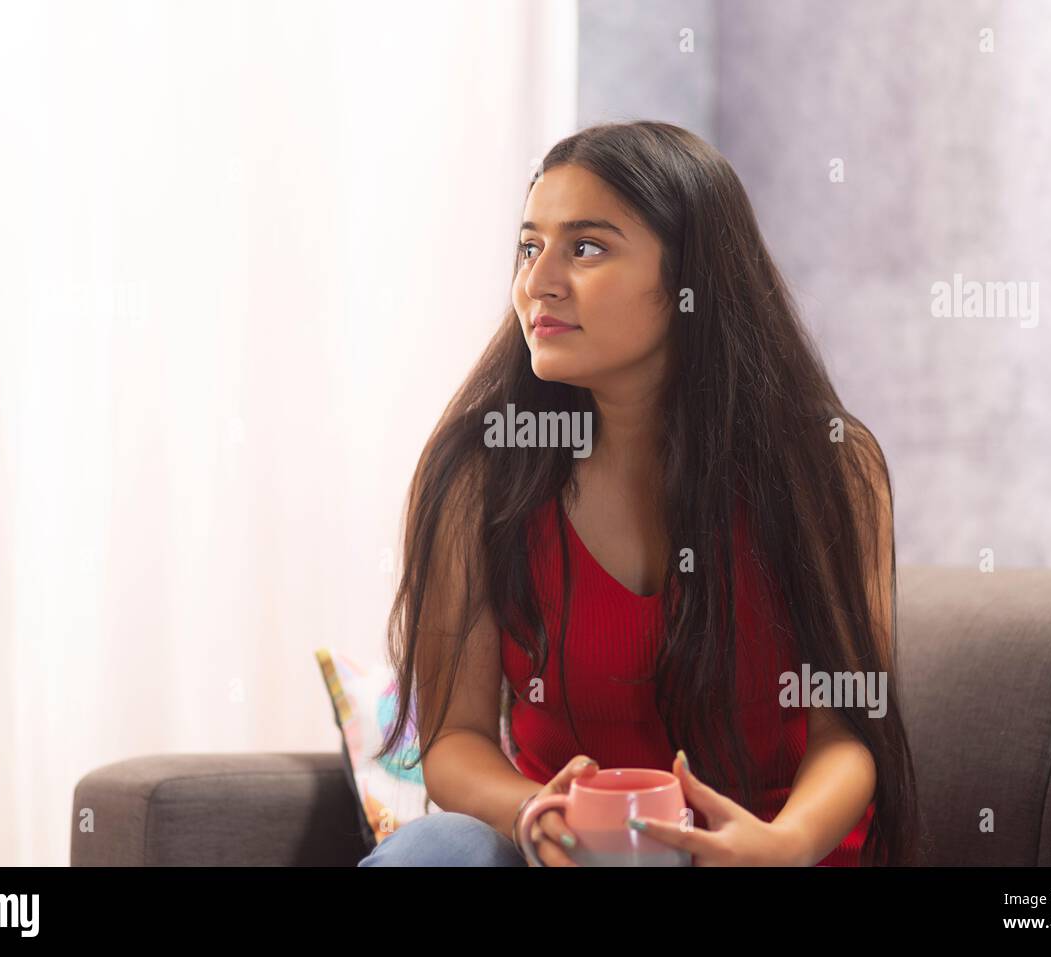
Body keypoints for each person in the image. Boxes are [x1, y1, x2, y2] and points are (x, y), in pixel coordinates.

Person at [359, 121, 920, 867]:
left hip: (768, 860)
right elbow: (455, 741)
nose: (539, 281)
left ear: (692, 278)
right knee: (437, 851)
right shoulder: (479, 474)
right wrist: (533, 809)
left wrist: (782, 843)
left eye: (586, 247)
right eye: (531, 247)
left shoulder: (828, 470)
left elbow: (848, 732)